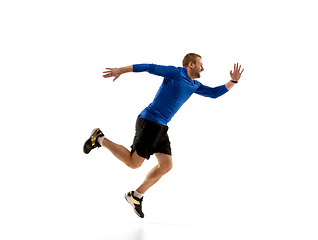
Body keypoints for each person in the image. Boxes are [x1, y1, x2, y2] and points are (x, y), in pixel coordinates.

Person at [83, 53, 244, 218]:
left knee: (166, 165)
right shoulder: (176, 73)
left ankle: (136, 196)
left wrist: (233, 81)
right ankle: (99, 138)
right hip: (150, 121)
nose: (203, 67)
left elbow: (214, 93)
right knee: (133, 163)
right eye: (200, 64)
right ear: (191, 64)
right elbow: (150, 67)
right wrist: (121, 70)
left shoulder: (195, 85)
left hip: (161, 126)